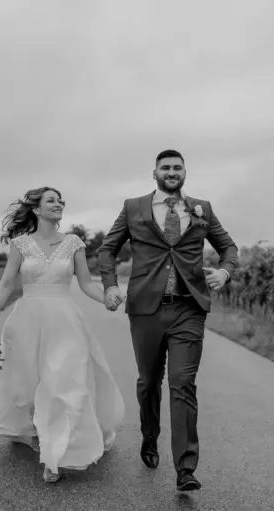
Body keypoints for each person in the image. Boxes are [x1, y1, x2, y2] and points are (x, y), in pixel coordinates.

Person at [97, 149, 239, 492]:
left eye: (177, 167)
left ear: (185, 172)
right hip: (146, 307)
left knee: (182, 382)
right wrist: (110, 286)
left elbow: (229, 247)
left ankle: (186, 469)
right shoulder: (134, 207)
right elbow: (107, 249)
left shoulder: (202, 207)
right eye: (166, 168)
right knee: (148, 382)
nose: (172, 172)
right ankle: (149, 437)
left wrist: (224, 271)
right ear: (155, 173)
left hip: (189, 308)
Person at [0, 186, 125, 484]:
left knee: (63, 385)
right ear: (36, 209)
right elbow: (5, 285)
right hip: (26, 322)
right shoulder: (21, 244)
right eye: (51, 200)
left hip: (65, 322)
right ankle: (36, 431)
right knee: (28, 385)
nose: (58, 204)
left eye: (60, 200)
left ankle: (55, 456)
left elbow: (86, 284)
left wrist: (106, 297)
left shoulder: (74, 243)